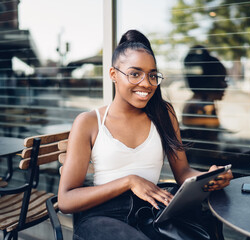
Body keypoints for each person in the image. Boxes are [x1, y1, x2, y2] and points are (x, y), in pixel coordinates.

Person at [57, 30, 233, 240]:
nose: (147, 83)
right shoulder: (89, 122)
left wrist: (210, 177)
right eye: (135, 74)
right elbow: (66, 201)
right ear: (113, 74)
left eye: (152, 75)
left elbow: (183, 172)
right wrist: (129, 181)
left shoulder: (163, 114)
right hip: (103, 216)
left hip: (151, 212)